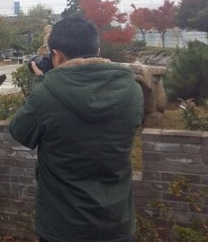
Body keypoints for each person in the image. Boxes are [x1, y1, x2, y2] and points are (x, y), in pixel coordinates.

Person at [9, 16, 143, 242]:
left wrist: (42, 82)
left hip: (62, 227)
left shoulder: (47, 93)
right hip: (117, 224)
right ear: (97, 49)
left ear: (57, 55)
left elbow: (20, 131)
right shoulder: (132, 90)